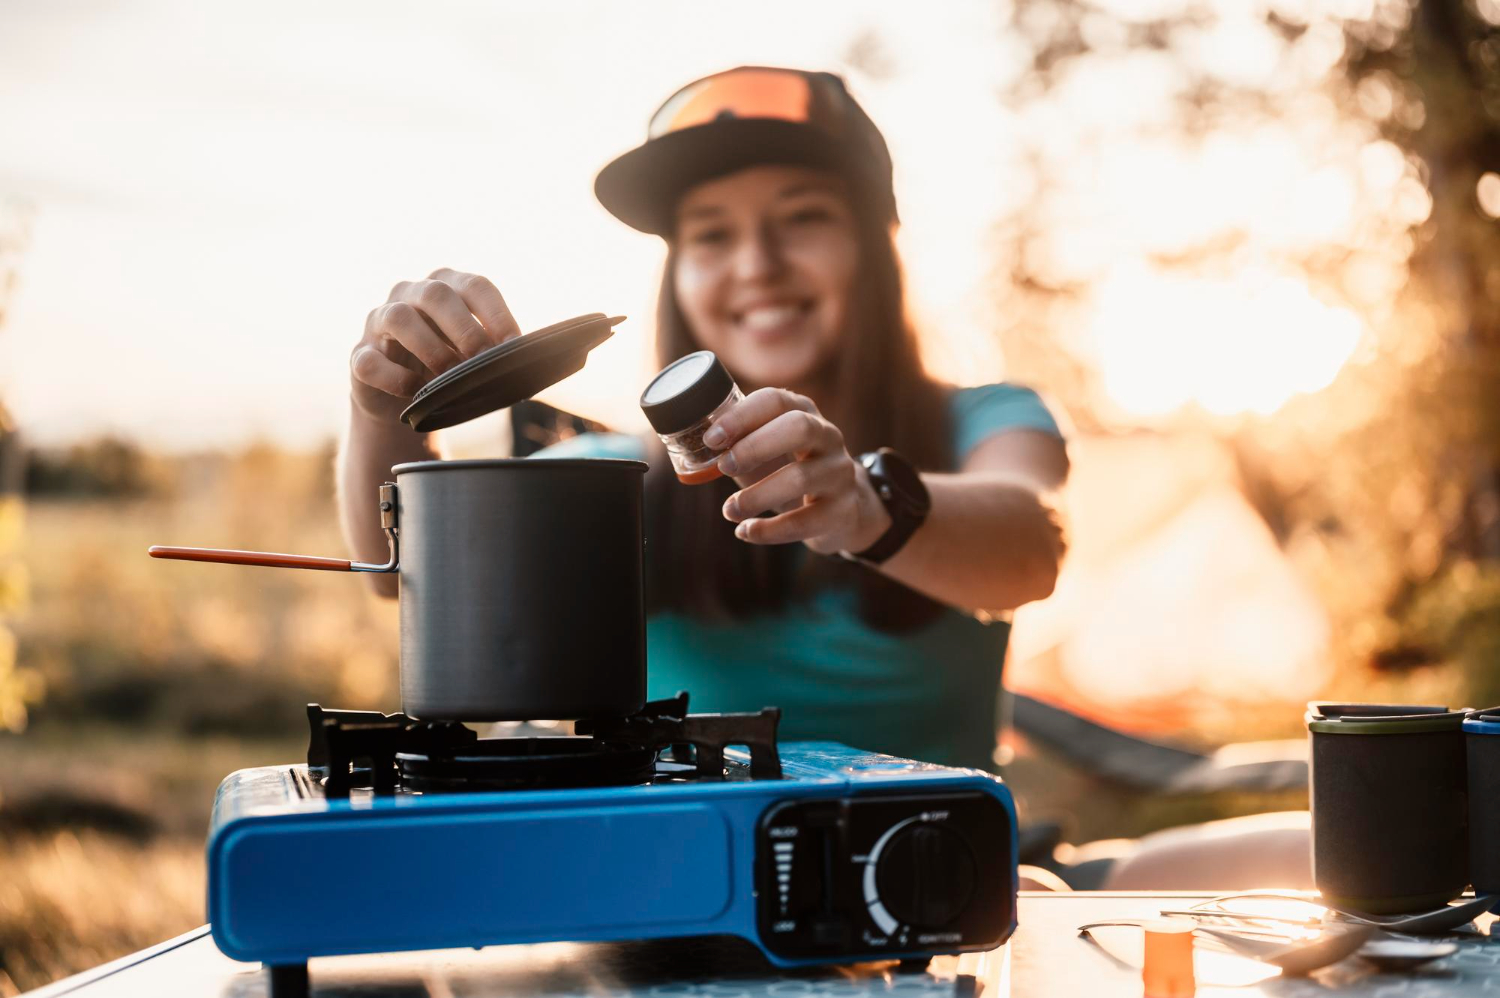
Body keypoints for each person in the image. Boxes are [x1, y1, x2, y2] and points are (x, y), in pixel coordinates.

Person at [337, 66, 1068, 774]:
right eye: (712, 235)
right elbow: (402, 572)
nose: (757, 264)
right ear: (677, 275)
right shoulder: (610, 480)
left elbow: (1031, 545)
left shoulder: (985, 416)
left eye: (804, 217)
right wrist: (380, 408)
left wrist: (864, 505)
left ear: (874, 249)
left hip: (935, 876)